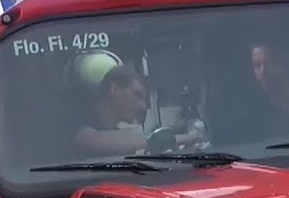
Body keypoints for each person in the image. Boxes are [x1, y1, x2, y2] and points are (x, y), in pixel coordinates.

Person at [70, 51, 201, 155]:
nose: (142, 106)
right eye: (137, 95)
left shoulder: (120, 141)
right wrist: (191, 137)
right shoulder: (71, 123)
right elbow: (93, 140)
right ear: (114, 89)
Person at [249, 42, 289, 133]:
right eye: (257, 65)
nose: (263, 71)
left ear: (284, 63)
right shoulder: (250, 115)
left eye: (268, 63)